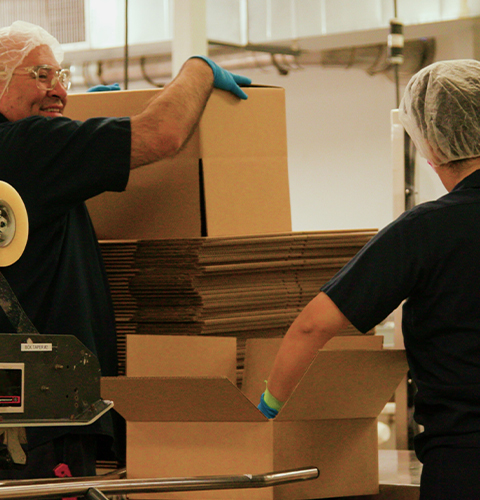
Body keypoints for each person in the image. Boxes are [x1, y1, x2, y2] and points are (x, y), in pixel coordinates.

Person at [0, 20, 250, 479]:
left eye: (62, 77)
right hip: (44, 421)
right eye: (39, 75)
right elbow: (164, 133)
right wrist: (198, 69)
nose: (58, 91)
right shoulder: (30, 147)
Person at [258, 59, 480, 500]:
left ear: (430, 145)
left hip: (466, 460)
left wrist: (266, 413)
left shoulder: (427, 229)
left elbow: (313, 325)